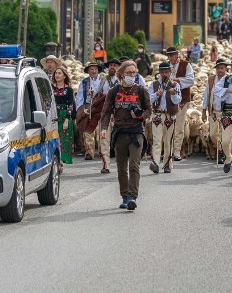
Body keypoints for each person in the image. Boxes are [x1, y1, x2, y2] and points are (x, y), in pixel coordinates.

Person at [100, 60, 151, 211]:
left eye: (134, 73)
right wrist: (103, 128)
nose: (132, 75)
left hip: (136, 133)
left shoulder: (142, 90)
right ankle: (124, 196)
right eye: (129, 73)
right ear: (121, 74)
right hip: (120, 132)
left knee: (134, 165)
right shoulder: (113, 91)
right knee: (122, 168)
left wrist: (141, 116)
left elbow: (149, 110)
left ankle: (132, 197)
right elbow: (106, 111)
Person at [148, 61, 182, 174]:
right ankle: (156, 163)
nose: (164, 74)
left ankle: (167, 163)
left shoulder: (175, 85)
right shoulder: (153, 85)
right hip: (157, 114)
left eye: (166, 72)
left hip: (169, 115)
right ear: (159, 73)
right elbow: (148, 100)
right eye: (162, 72)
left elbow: (178, 100)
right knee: (157, 140)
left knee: (168, 141)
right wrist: (156, 94)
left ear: (170, 72)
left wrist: (173, 94)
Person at [165, 46, 195, 161]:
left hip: (182, 99)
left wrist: (177, 80)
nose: (170, 57)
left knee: (179, 126)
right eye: (169, 55)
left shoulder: (186, 64)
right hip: (168, 100)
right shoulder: (166, 66)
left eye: (172, 55)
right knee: (168, 125)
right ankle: (168, 151)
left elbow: (191, 80)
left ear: (177, 54)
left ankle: (176, 151)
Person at [76, 62, 106, 168]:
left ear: (98, 70)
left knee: (100, 130)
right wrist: (80, 109)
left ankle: (103, 151)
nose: (93, 71)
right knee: (88, 130)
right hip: (88, 107)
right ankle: (89, 151)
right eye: (91, 69)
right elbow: (79, 96)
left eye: (95, 69)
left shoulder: (103, 81)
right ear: (88, 71)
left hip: (100, 107)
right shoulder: (84, 82)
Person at [202, 58, 228, 161]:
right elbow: (206, 95)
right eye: (218, 68)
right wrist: (204, 110)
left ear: (226, 69)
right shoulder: (211, 79)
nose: (220, 70)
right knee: (213, 134)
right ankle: (220, 149)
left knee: (223, 133)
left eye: (222, 68)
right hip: (213, 111)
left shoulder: (229, 80)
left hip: (224, 111)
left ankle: (222, 153)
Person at [52, 66, 75, 168]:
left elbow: (70, 105)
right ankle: (56, 161)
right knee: (54, 137)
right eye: (56, 73)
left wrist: (66, 120)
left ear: (64, 76)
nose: (57, 75)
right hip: (53, 115)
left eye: (59, 73)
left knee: (64, 139)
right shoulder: (51, 87)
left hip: (64, 115)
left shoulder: (69, 90)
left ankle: (61, 160)